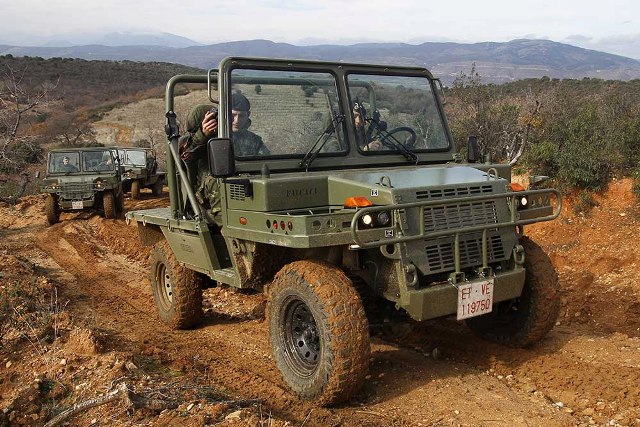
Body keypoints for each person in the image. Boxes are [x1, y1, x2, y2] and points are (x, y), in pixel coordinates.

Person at [179, 92, 269, 224]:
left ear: (248, 115)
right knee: (219, 182)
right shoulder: (210, 134)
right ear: (224, 114)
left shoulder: (253, 140)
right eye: (233, 115)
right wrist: (203, 135)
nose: (237, 121)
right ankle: (223, 223)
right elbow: (186, 157)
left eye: (241, 116)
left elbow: (268, 161)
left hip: (243, 182)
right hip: (212, 186)